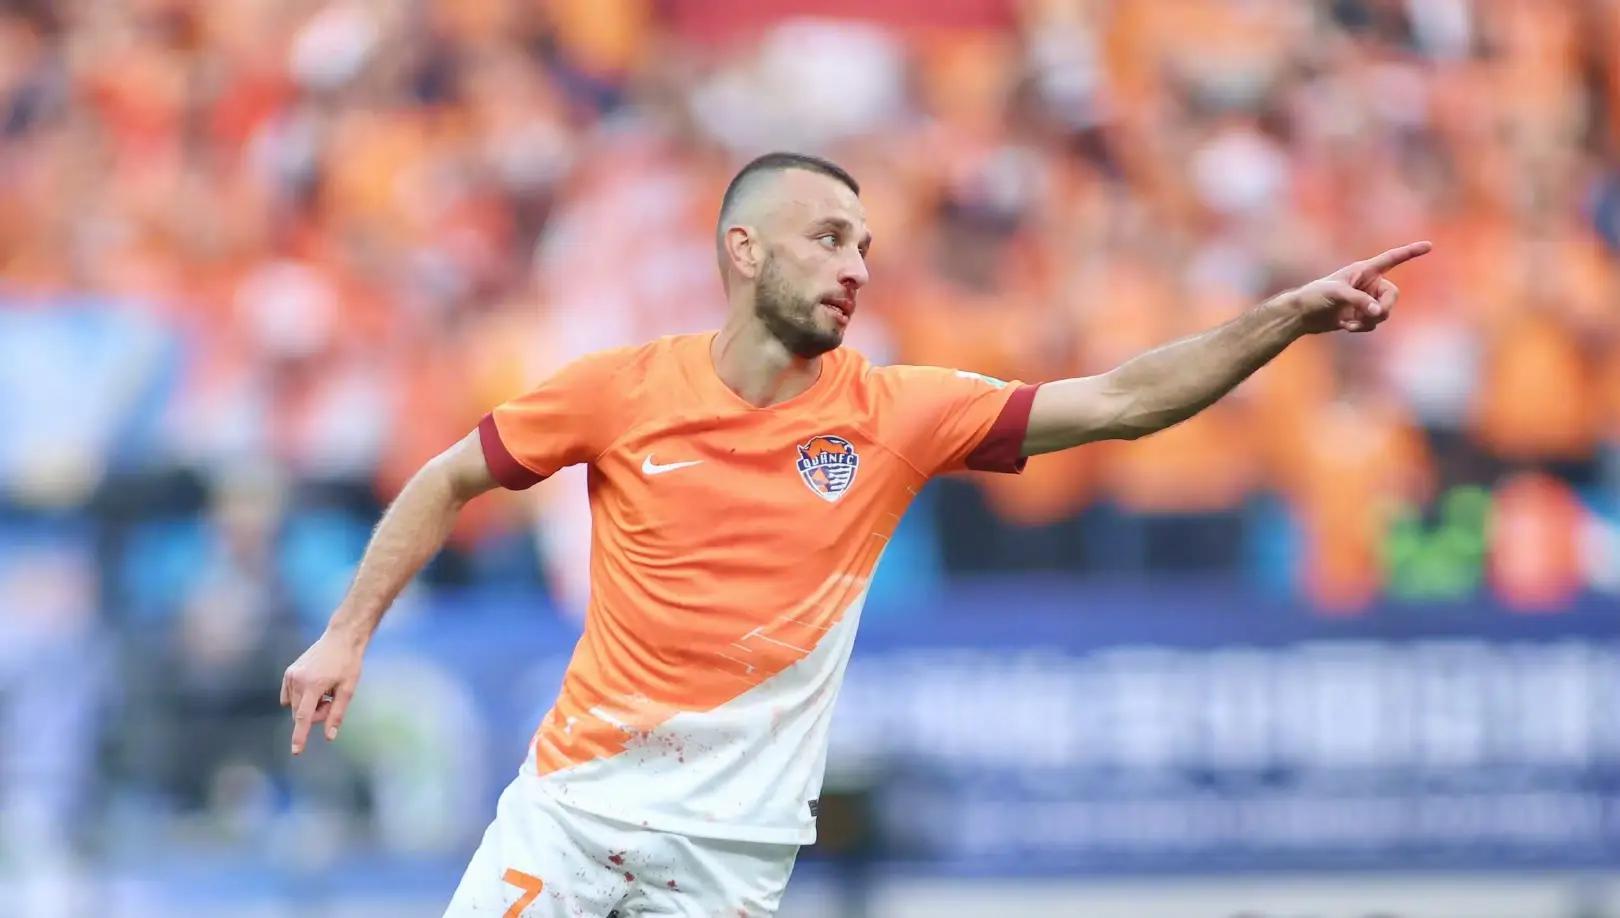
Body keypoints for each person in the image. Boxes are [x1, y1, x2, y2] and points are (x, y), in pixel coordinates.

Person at [280, 151, 1430, 916]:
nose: (857, 268)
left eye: (866, 247)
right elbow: (448, 478)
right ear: (744, 250)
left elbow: (1125, 401)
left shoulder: (896, 413)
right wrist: (347, 632)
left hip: (724, 859)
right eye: (830, 238)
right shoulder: (616, 391)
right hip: (572, 815)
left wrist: (1286, 318)